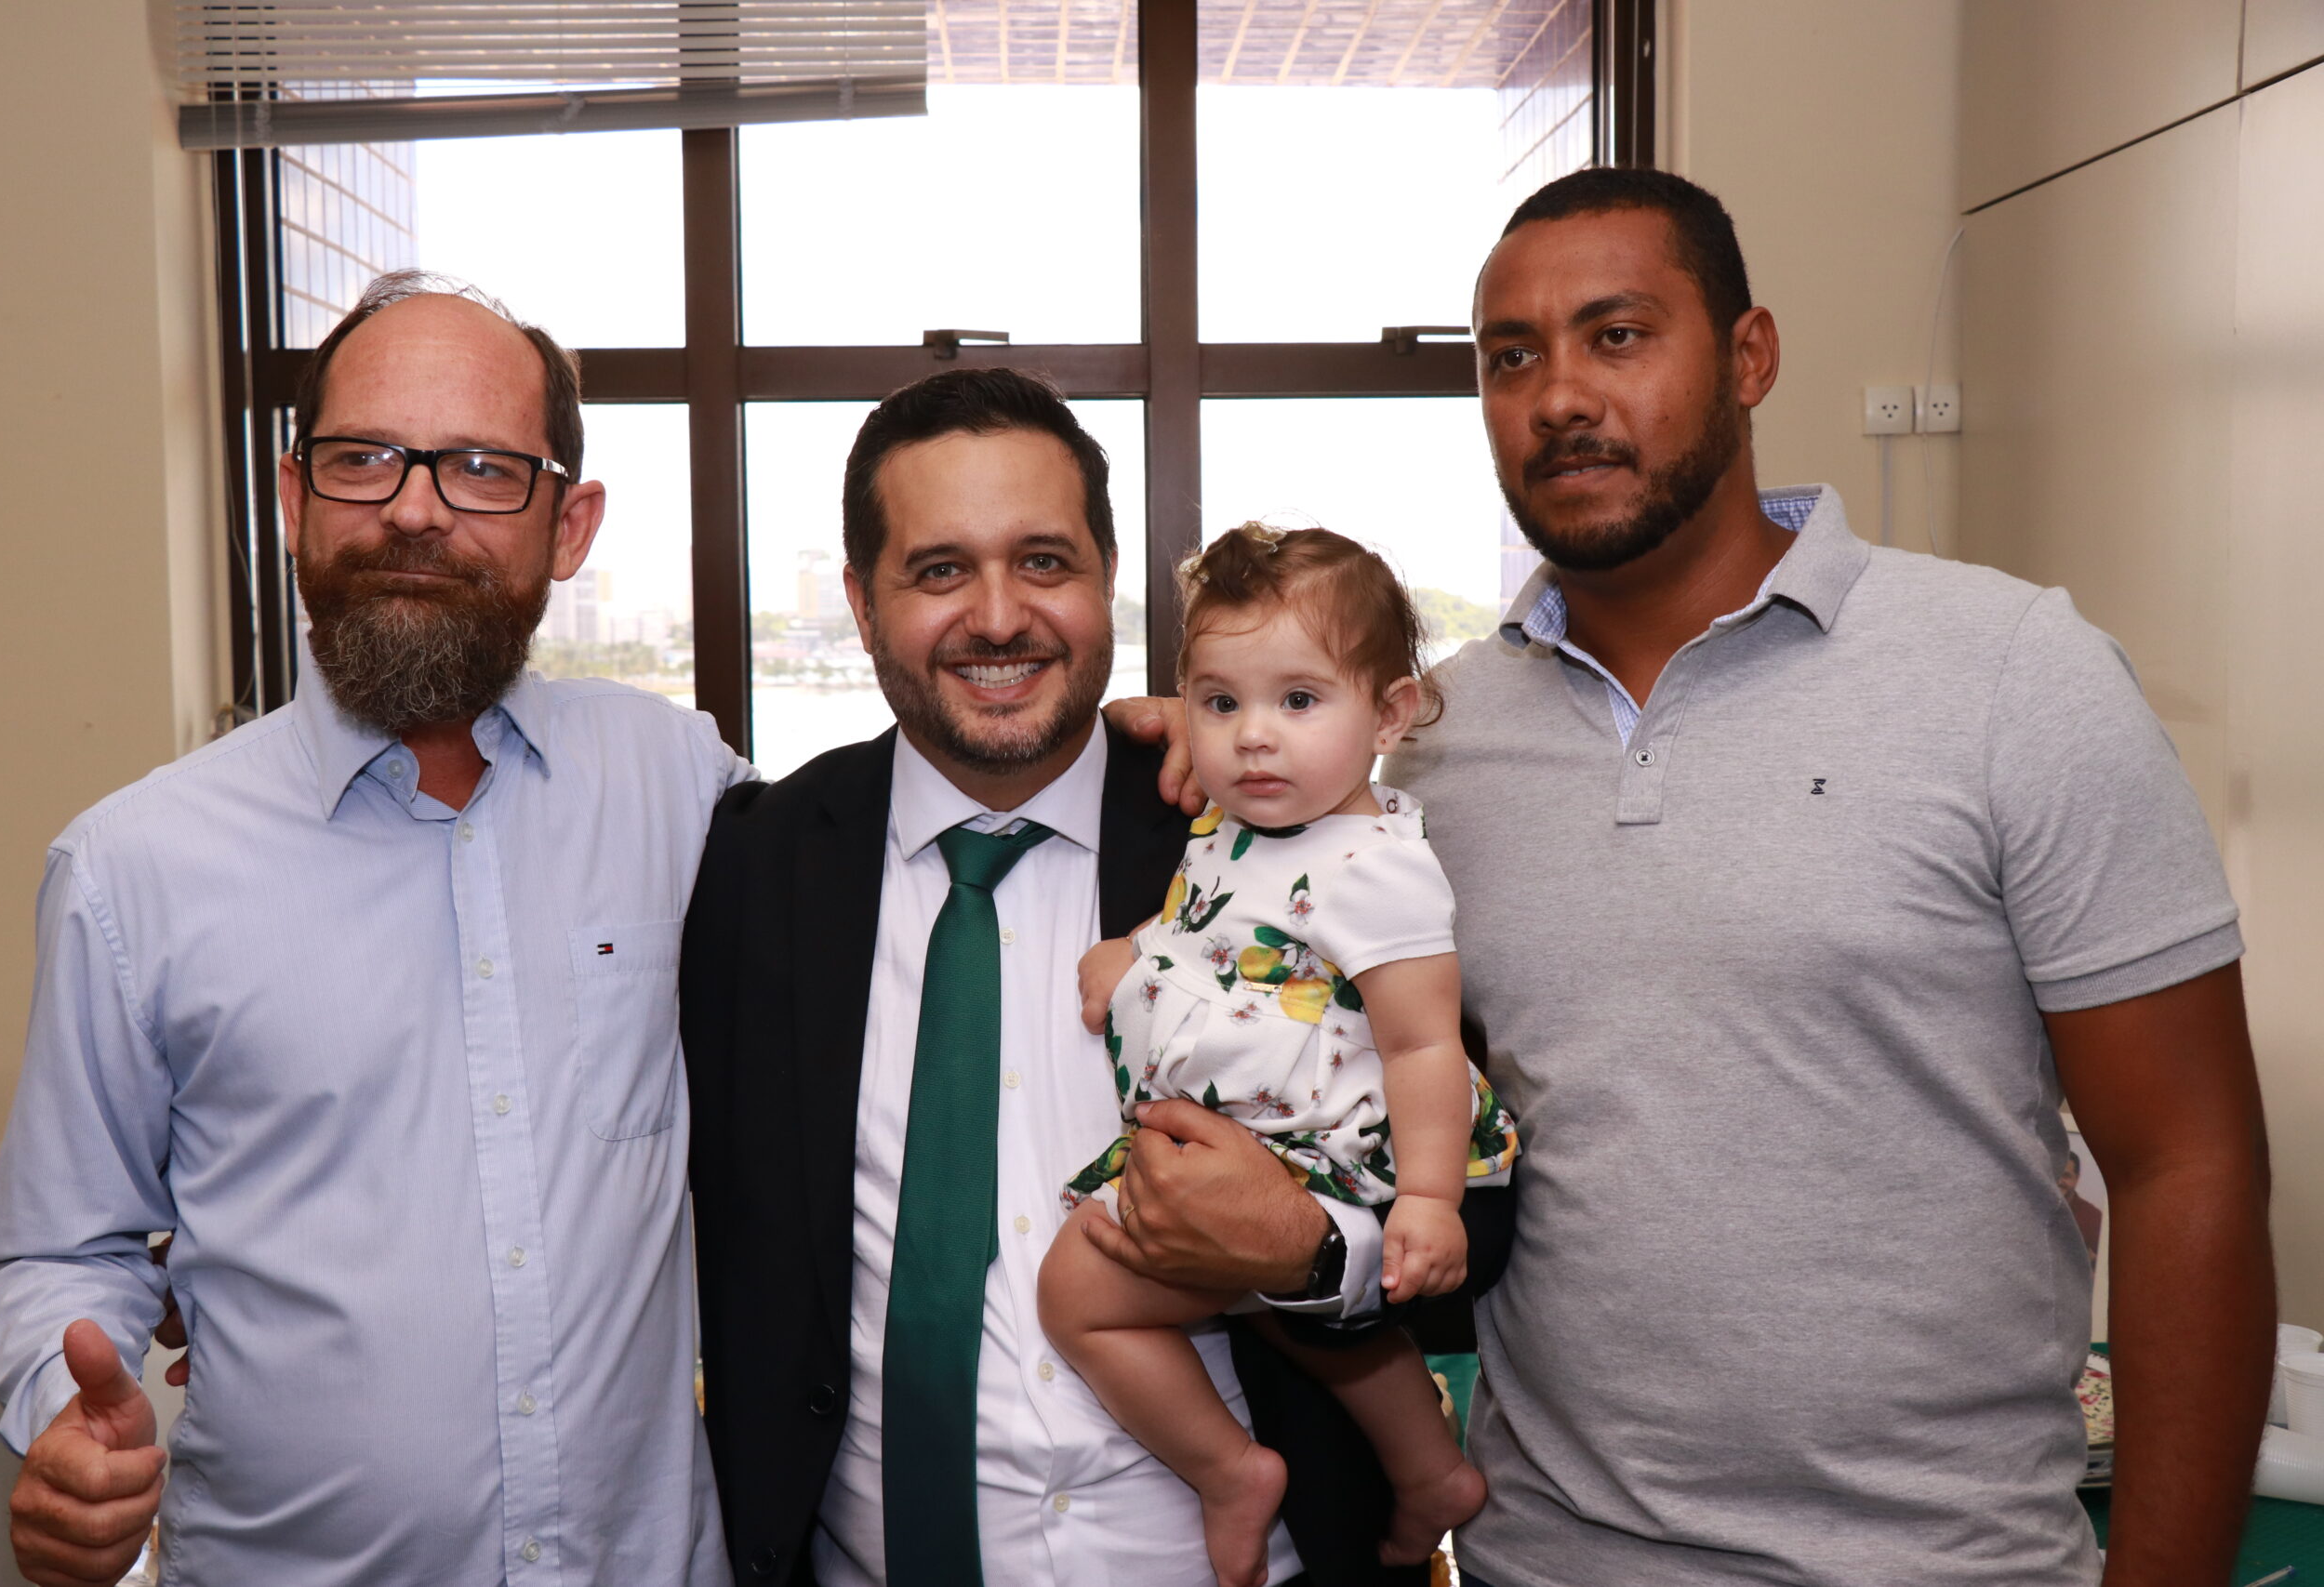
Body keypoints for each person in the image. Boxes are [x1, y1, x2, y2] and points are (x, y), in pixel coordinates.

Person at [1380, 167, 2272, 1586]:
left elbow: (2190, 1162)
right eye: (1511, 358)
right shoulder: (1434, 744)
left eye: (1618, 335)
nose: (1558, 397)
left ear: (1750, 358)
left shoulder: (2012, 673)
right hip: (1543, 1561)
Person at [0, 272, 744, 1586]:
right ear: (293, 499)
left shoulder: (678, 785)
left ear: (568, 526)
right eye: (363, 457)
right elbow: (62, 1241)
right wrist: (63, 1413)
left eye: (484, 468)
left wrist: (1131, 765)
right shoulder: (131, 868)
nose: (415, 508)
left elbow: (882, 884)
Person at [680, 370, 1432, 1587]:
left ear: (1107, 577)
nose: (997, 617)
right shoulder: (751, 867)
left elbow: (1479, 1189)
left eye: (1043, 561)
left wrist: (1307, 1249)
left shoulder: (1271, 834)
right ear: (863, 605)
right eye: (939, 570)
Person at [1040, 524, 1517, 1587]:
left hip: (1338, 1152)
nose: (1253, 736)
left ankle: (1227, 1472)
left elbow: (1422, 1041)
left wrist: (1428, 1200)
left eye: (1298, 701)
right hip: (1260, 1142)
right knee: (1292, 1316)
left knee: (1076, 1292)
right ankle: (1428, 1470)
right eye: (1220, 703)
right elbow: (1221, 926)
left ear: (1388, 714)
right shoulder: (1236, 823)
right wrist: (1138, 952)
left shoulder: (1376, 870)